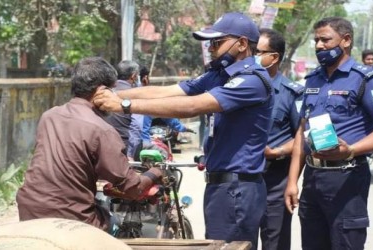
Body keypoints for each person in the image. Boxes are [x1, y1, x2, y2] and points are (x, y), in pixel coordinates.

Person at [93, 12, 274, 249]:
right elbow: (168, 91)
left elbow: (192, 106)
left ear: (241, 44)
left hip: (237, 189)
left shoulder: (251, 80)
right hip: (223, 186)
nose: (211, 48)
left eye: (217, 42)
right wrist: (116, 94)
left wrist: (123, 106)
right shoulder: (219, 75)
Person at [16, 57, 162, 233]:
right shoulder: (102, 129)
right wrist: (155, 172)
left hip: (29, 209)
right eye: (113, 90)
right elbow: (132, 189)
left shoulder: (49, 116)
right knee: (114, 222)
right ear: (102, 90)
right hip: (72, 217)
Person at [284, 17, 373, 250]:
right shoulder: (313, 79)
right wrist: (292, 181)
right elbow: (301, 131)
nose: (318, 45)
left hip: (347, 176)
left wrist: (352, 150)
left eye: (325, 39)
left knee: (345, 243)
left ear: (345, 40)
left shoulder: (366, 79)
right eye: (316, 40)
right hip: (313, 179)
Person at [257, 28, 304, 250]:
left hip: (275, 181)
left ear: (273, 57)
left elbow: (303, 136)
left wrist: (278, 152)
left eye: (257, 52)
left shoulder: (291, 93)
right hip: (241, 179)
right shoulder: (239, 88)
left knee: (274, 243)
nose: (251, 57)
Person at [103, 60, 141, 151]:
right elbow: (136, 127)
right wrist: (131, 153)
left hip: (104, 144)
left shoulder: (106, 92)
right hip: (124, 146)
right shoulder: (136, 95)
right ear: (134, 76)